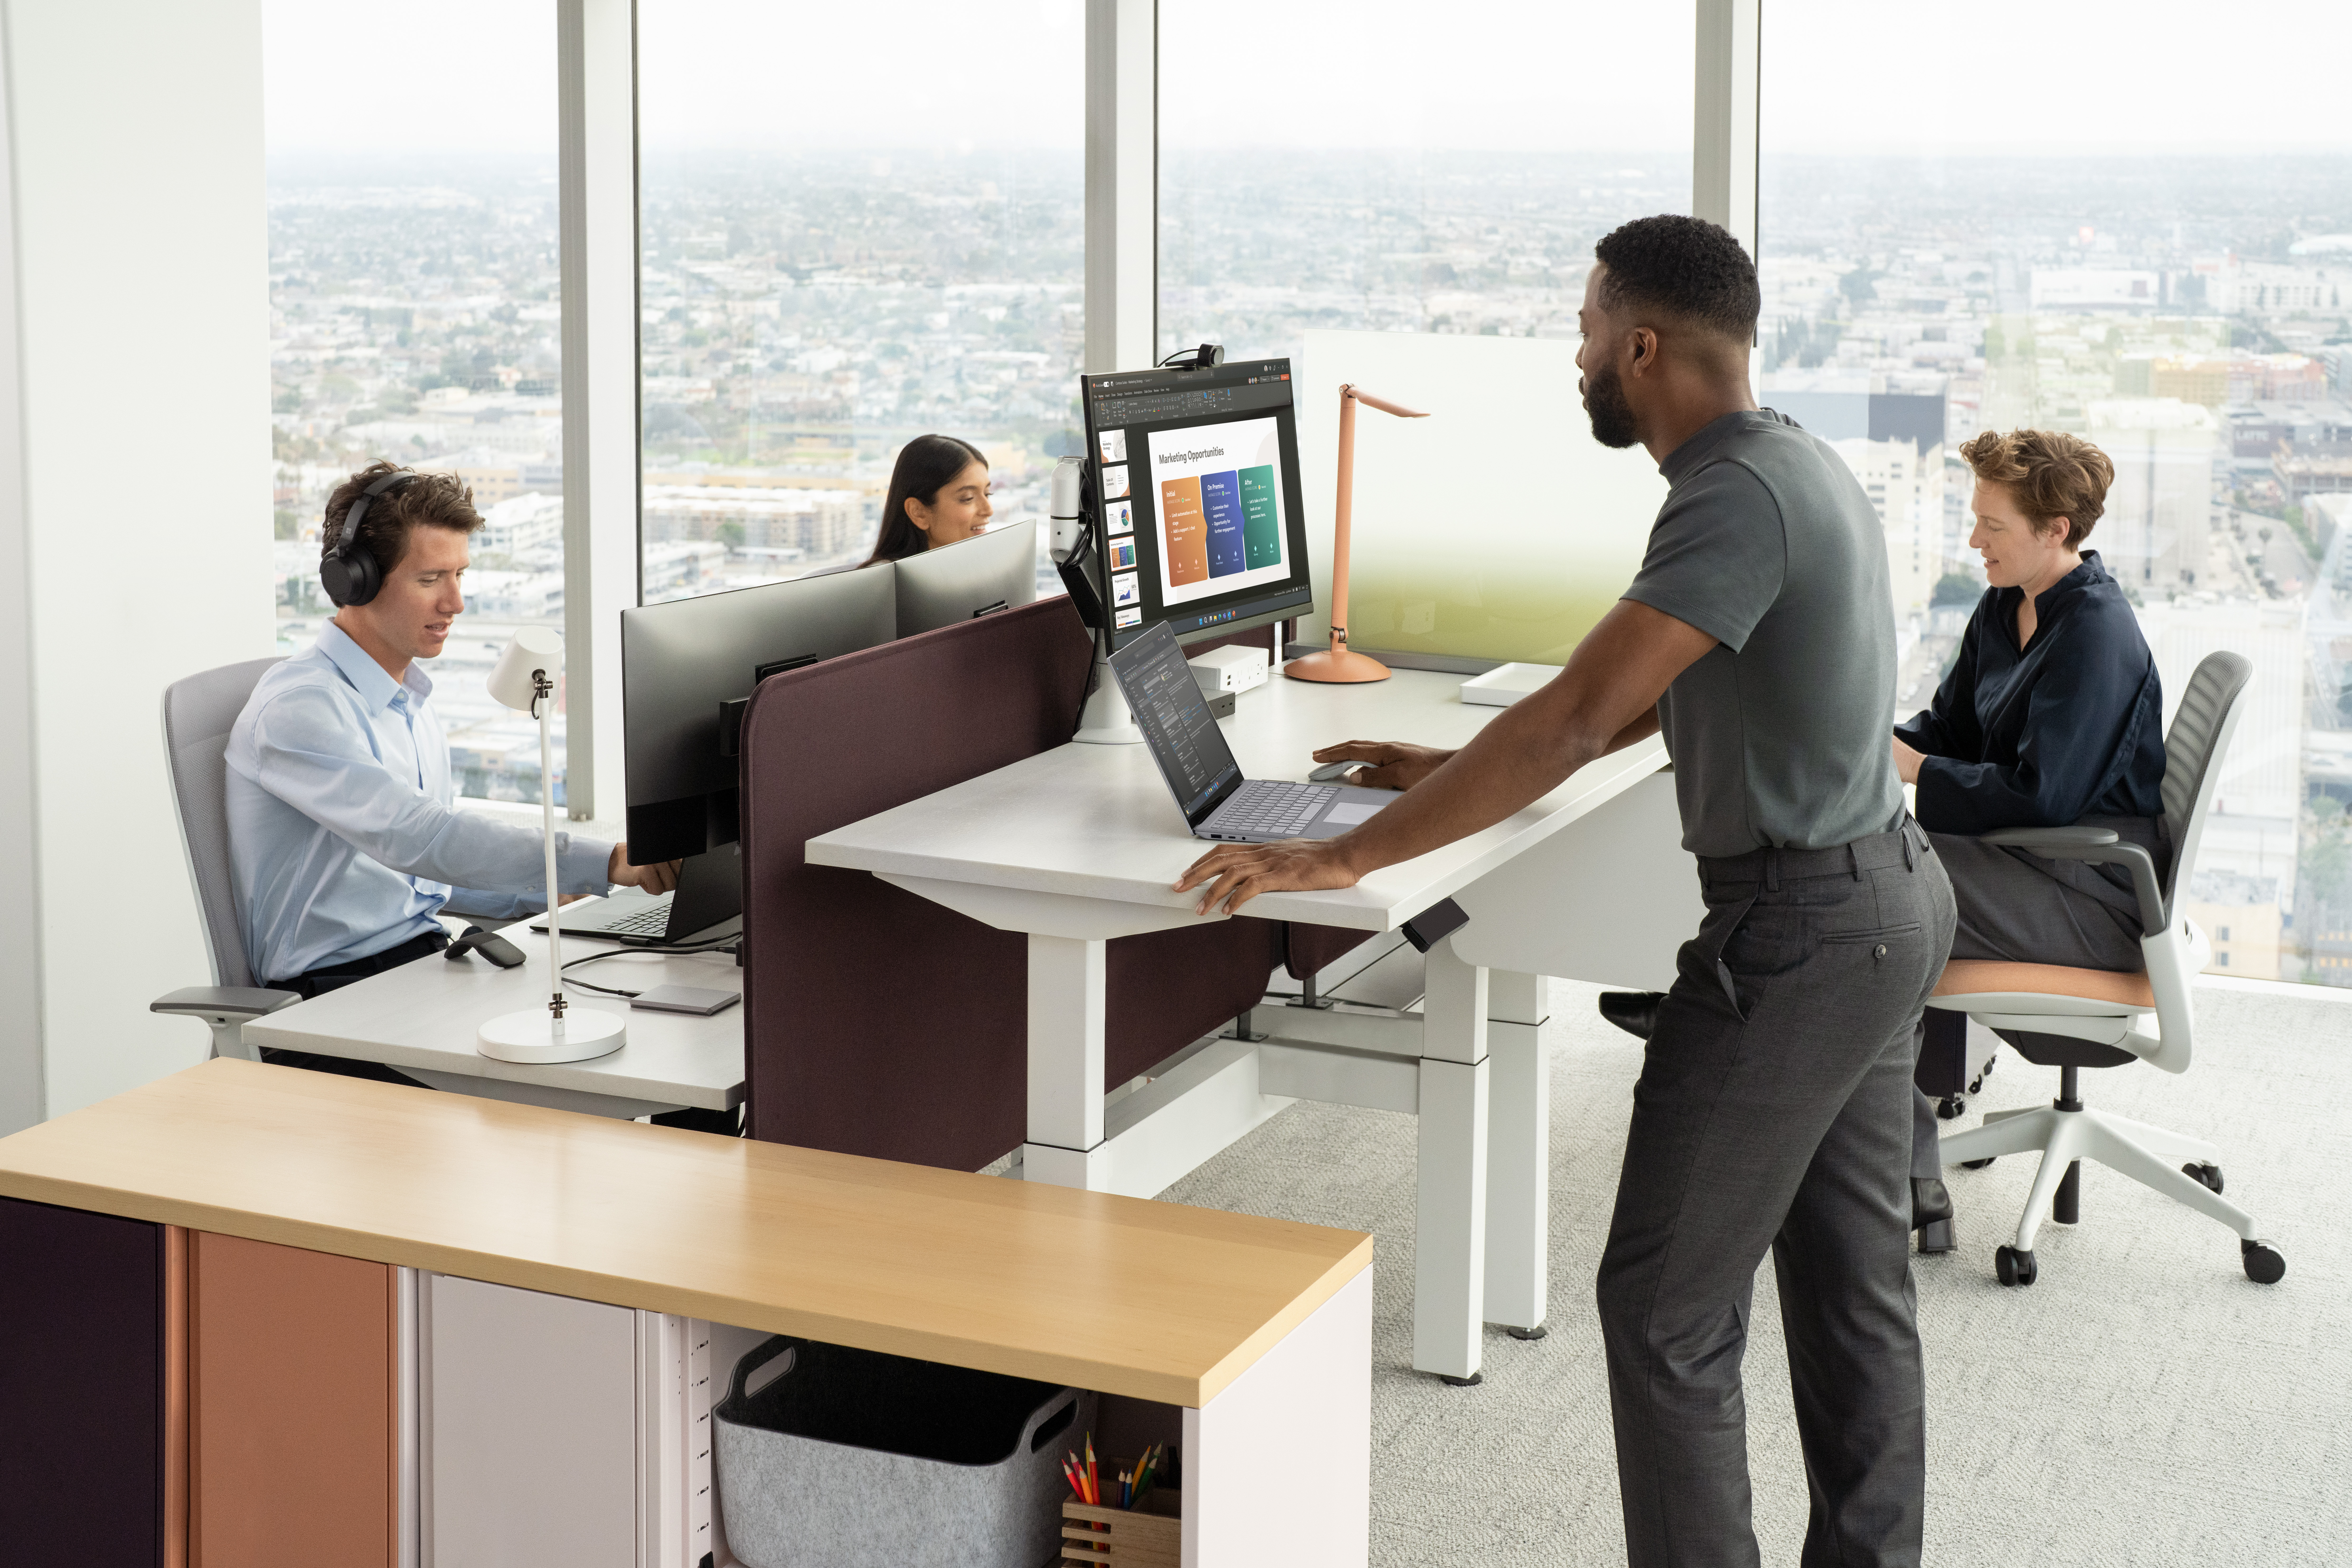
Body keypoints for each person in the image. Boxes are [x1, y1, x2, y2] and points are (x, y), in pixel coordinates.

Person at [1174, 214, 1954, 1568]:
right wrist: (1444, 769)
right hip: (1885, 904)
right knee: (1851, 1294)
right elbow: (1662, 682)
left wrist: (1340, 855)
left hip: (1803, 935)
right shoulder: (1785, 459)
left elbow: (1584, 711)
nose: (1574, 353)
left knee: (1663, 1308)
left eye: (1586, 328)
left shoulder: (1728, 490)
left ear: (1642, 347)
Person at [227, 461, 679, 1085]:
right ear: (353, 579)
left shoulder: (407, 698)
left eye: (459, 575)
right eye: (430, 579)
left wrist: (546, 892)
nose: (455, 603)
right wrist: (604, 861)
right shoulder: (301, 708)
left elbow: (419, 876)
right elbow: (420, 839)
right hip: (331, 1003)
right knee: (586, 1087)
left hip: (420, 970)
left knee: (652, 1038)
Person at [1894, 429, 2162, 1249]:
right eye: (1973, 519)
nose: (1973, 540)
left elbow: (2042, 797)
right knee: (1871, 872)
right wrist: (1874, 746)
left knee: (1873, 886)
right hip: (2031, 862)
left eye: (1992, 525)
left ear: (2055, 530)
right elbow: (1949, 728)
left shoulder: (2093, 634)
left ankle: (1895, 1159)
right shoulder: (2004, 601)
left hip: (2090, 891)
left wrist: (1912, 771)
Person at [862, 433, 993, 563]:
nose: (989, 510)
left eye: (987, 494)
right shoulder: (886, 576)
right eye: (968, 498)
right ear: (918, 512)